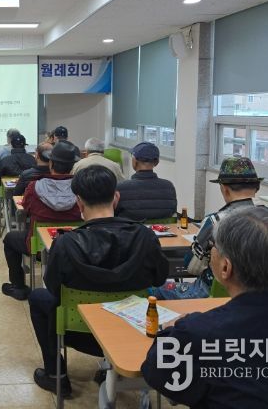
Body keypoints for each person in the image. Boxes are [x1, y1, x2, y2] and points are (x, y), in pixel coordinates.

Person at [142, 206, 268, 408]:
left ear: (226, 267)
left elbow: (156, 373)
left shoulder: (198, 333)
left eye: (213, 246)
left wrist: (170, 332)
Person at [29, 166, 169, 395]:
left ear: (78, 202)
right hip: (132, 327)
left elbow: (53, 287)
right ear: (116, 197)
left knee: (38, 298)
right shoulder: (145, 237)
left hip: (77, 331)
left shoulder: (64, 244)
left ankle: (56, 375)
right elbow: (160, 277)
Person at [152, 157, 262, 299]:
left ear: (224, 189)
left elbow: (192, 266)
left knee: (156, 289)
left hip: (210, 293)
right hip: (264, 296)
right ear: (257, 187)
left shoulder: (215, 222)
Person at [1, 140, 82, 300]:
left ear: (51, 164)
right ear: (73, 166)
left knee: (10, 239)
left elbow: (25, 208)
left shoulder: (34, 187)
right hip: (76, 244)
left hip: (37, 244)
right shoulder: (81, 188)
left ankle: (18, 286)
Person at [115, 141, 177, 220]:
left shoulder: (121, 187)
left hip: (130, 228)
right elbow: (172, 212)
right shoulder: (169, 187)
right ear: (157, 162)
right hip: (161, 228)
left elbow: (114, 214)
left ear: (134, 161)